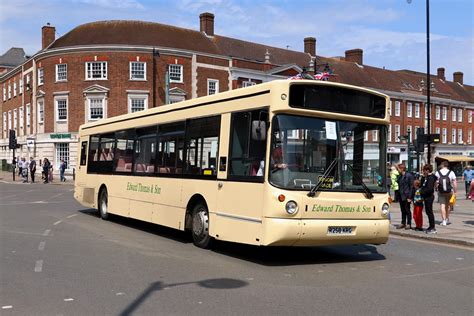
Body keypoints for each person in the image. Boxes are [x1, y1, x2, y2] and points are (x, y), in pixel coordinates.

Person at [435, 161, 457, 226]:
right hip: (449, 191)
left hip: (441, 191)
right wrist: (455, 192)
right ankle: (447, 218)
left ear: (442, 165)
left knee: (442, 205)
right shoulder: (451, 172)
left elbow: (436, 182)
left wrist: (436, 189)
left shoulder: (437, 172)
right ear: (447, 165)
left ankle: (443, 220)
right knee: (448, 206)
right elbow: (455, 183)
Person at [420, 164, 437, 234]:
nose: (423, 172)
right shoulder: (426, 178)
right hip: (426, 197)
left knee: (429, 212)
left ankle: (432, 227)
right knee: (427, 212)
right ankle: (430, 226)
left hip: (429, 197)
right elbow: (422, 185)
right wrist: (423, 178)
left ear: (427, 170)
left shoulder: (431, 178)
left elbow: (429, 189)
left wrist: (422, 191)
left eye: (424, 171)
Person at [396, 164, 414, 229]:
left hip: (406, 196)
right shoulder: (400, 176)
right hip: (401, 195)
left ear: (402, 169)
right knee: (402, 210)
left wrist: (410, 197)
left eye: (398, 169)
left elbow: (411, 187)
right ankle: (403, 223)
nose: (397, 170)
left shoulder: (409, 176)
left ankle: (409, 223)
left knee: (407, 210)